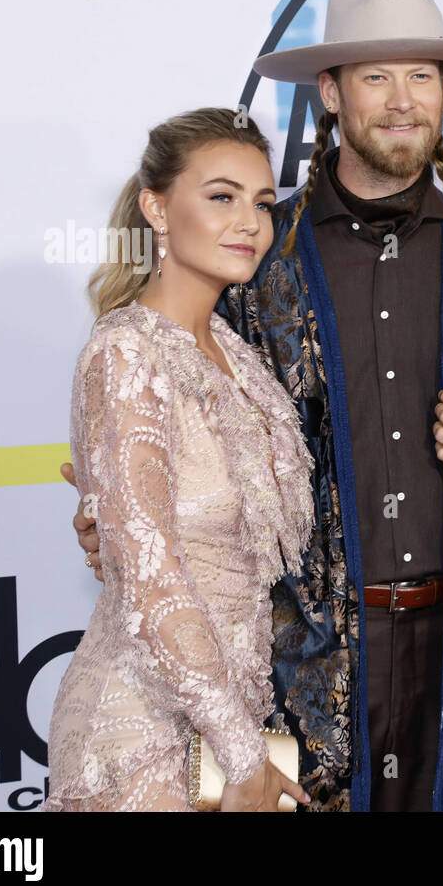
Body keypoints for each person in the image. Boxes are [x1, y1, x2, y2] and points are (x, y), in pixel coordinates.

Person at [65, 0, 443, 811]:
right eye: (375, 76)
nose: (402, 101)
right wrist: (115, 518)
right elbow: (174, 433)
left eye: (421, 75)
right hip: (298, 654)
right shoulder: (255, 258)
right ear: (330, 91)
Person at [45, 107, 314, 811]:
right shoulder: (126, 353)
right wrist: (242, 753)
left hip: (227, 734)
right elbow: (151, 571)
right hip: (140, 735)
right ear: (156, 208)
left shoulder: (241, 360)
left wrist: (242, 744)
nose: (250, 223)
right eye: (221, 197)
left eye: (262, 203)